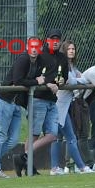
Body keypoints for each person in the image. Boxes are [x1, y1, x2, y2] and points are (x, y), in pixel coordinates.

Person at [0, 37, 45, 179]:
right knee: (1, 135)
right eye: (31, 46)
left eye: (37, 47)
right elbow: (18, 80)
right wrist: (36, 81)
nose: (34, 49)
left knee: (14, 140)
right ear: (27, 47)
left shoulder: (38, 62)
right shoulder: (23, 59)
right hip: (4, 101)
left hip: (15, 105)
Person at [13, 29, 67, 177]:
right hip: (37, 98)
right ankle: (29, 165)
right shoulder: (40, 55)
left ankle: (23, 157)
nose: (55, 41)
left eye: (57, 39)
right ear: (47, 40)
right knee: (34, 135)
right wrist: (49, 82)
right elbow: (36, 76)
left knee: (52, 134)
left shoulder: (62, 58)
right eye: (52, 38)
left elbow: (64, 76)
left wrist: (61, 81)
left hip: (52, 100)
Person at [50, 40, 94, 174]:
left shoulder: (72, 67)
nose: (71, 51)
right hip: (59, 106)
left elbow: (81, 78)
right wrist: (81, 80)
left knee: (58, 137)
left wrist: (81, 79)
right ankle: (81, 167)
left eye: (73, 49)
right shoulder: (62, 65)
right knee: (69, 138)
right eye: (68, 49)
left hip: (64, 107)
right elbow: (71, 80)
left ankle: (55, 167)